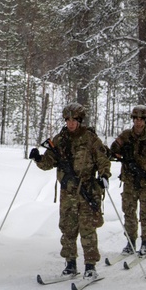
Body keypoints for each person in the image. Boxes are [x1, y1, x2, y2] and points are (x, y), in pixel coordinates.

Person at [30, 102, 111, 278]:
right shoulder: (60, 140)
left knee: (87, 228)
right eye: (68, 120)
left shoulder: (90, 139)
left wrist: (104, 176)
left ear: (80, 120)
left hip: (87, 189)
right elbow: (48, 162)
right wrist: (38, 158)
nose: (71, 123)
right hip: (68, 191)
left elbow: (103, 159)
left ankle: (90, 265)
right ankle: (70, 263)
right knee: (68, 227)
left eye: (74, 120)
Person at [110, 105, 146, 257]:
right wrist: (121, 152)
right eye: (136, 119)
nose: (138, 122)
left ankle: (145, 242)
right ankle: (130, 241)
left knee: (145, 213)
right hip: (129, 180)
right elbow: (113, 149)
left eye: (141, 119)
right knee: (129, 212)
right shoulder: (126, 135)